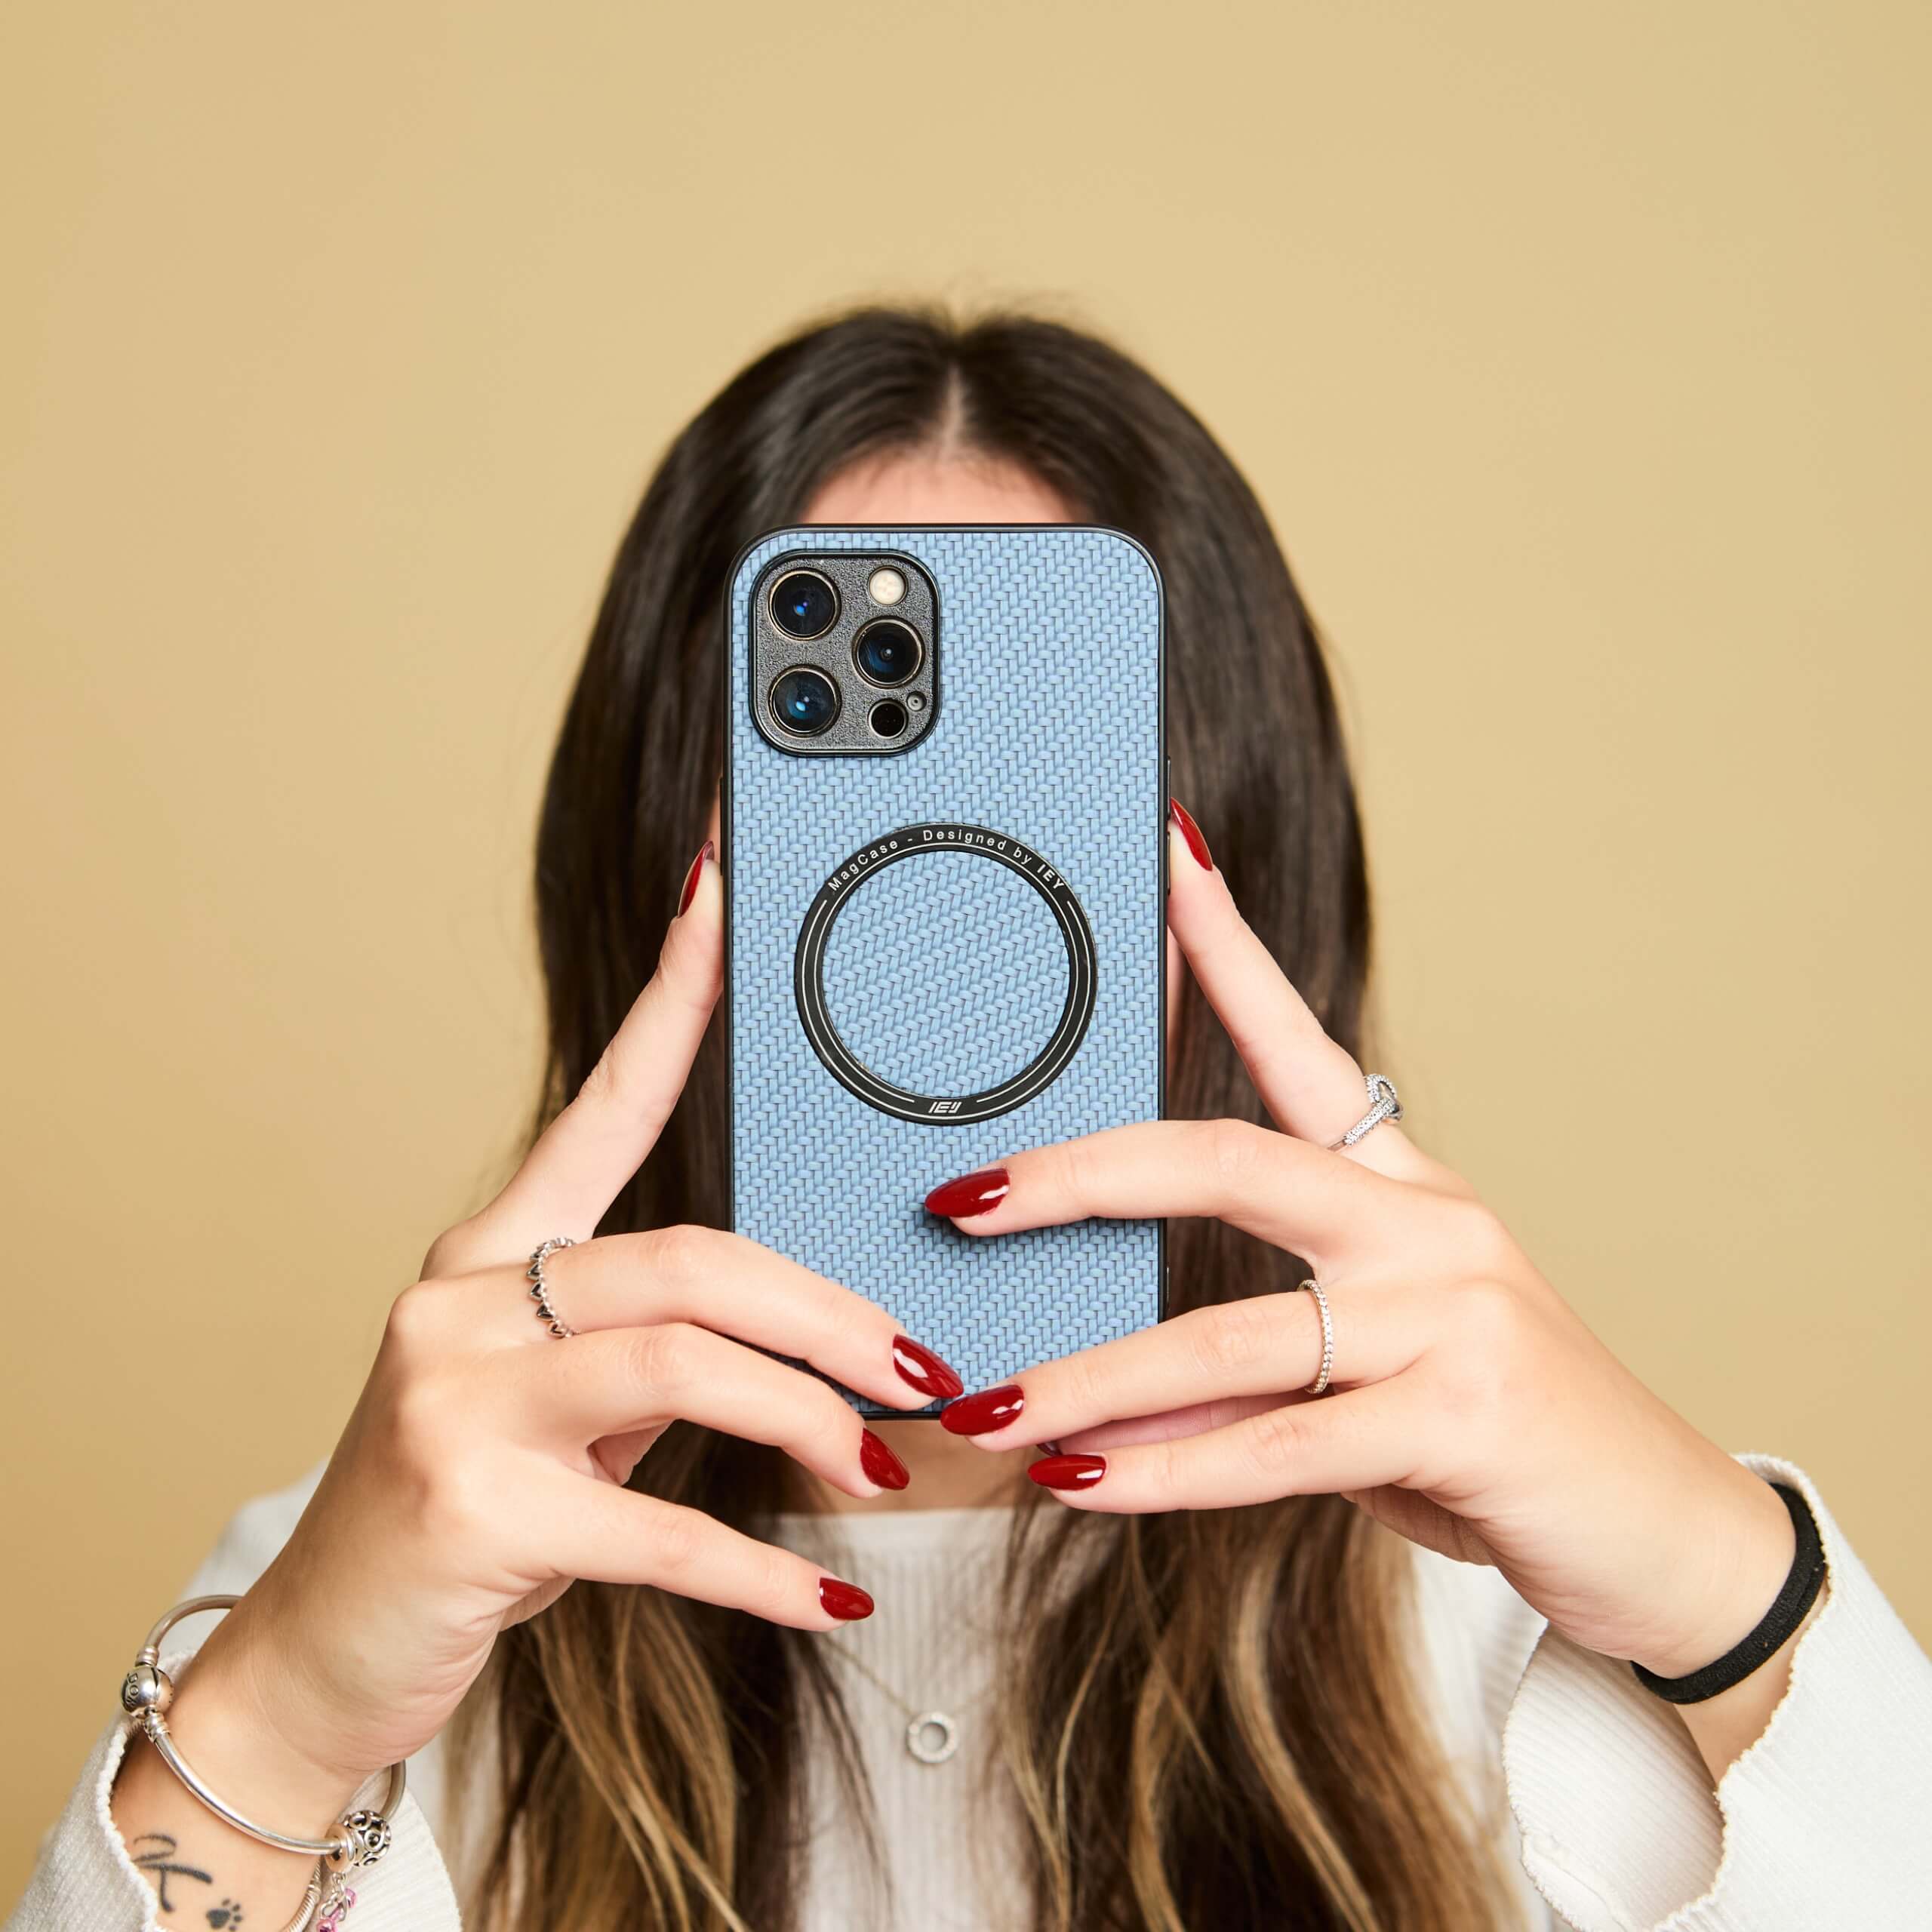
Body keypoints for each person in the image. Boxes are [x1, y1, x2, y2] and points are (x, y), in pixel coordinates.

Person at [11, 308, 1928, 1932]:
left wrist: (1725, 1588)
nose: (947, 943)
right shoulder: (385, 1585)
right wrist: (276, 1718)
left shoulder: (1530, 1622)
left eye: (1045, 801)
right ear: (647, 887)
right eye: (831, 799)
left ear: (1238, 880)